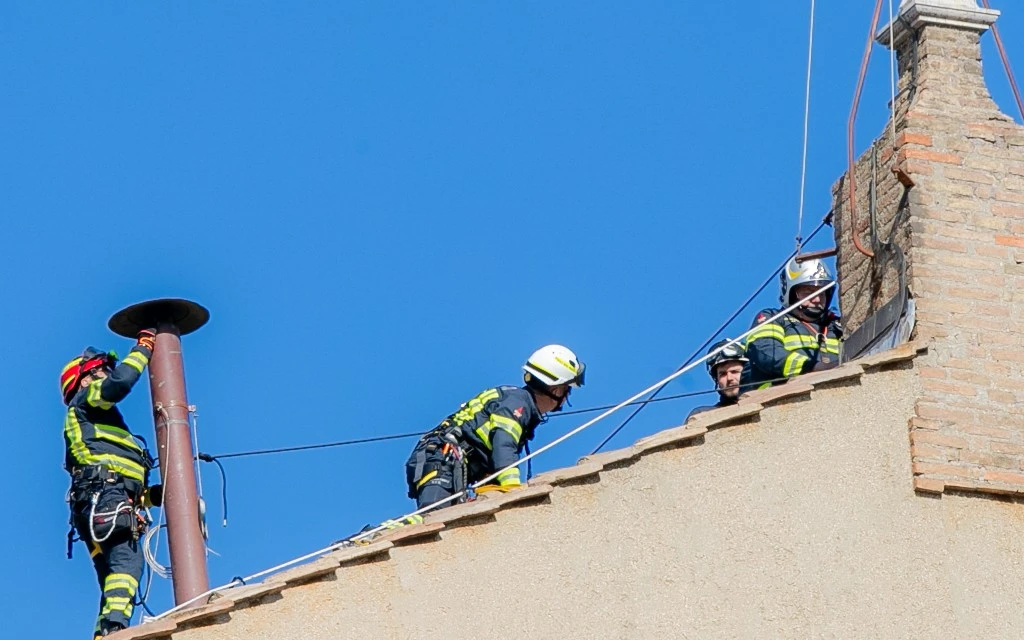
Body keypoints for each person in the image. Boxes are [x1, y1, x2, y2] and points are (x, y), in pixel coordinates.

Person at [61, 330, 162, 639]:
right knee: (127, 565)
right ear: (87, 377)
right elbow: (120, 383)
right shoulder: (85, 401)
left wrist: (153, 497)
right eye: (102, 368)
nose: (108, 372)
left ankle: (104, 634)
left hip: (102, 503)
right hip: (104, 502)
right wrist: (143, 348)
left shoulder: (102, 427)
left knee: (113, 580)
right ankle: (115, 630)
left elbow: (116, 475)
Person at [406, 344, 585, 509]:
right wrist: (514, 492)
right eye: (567, 389)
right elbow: (504, 446)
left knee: (448, 521)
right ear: (557, 390)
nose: (566, 397)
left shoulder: (516, 401)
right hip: (441, 458)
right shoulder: (517, 404)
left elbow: (491, 457)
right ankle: (381, 534)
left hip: (447, 461)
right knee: (433, 516)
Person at [744, 257, 842, 389]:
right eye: (808, 292)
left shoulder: (837, 326)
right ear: (790, 293)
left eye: (822, 293)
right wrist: (813, 367)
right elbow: (767, 353)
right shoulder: (772, 318)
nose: (817, 299)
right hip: (781, 399)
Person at [686, 339, 749, 421]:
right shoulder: (702, 415)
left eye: (734, 372)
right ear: (716, 379)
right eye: (722, 374)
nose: (729, 378)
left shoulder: (768, 405)